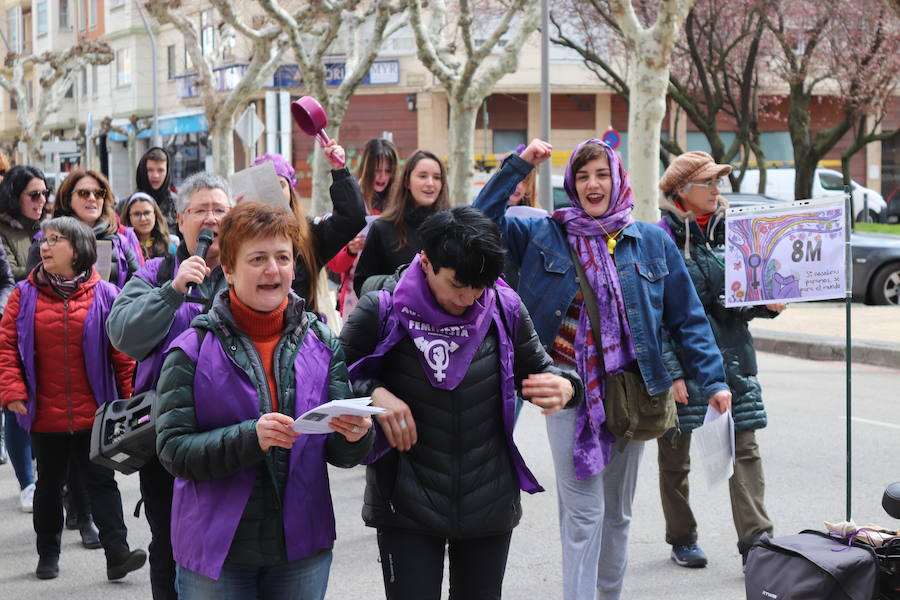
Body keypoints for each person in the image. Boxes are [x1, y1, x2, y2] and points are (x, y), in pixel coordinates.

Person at [474, 138, 730, 600]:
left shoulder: (651, 240)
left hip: (631, 392)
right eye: (583, 176)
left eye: (602, 174)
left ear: (618, 179)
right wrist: (519, 166)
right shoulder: (543, 234)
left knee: (617, 514)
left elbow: (687, 316)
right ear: (572, 184)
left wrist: (712, 379)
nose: (593, 184)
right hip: (566, 389)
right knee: (584, 514)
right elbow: (478, 221)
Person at [340, 206, 584, 600]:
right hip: (406, 503)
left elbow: (545, 371)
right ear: (426, 261)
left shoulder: (504, 307)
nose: (468, 297)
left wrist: (567, 388)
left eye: (479, 286)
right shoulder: (382, 309)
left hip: (488, 499)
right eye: (457, 284)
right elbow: (328, 376)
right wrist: (373, 395)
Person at [155, 201, 373, 598]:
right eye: (258, 258)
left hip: (301, 546)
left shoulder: (322, 342)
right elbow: (172, 450)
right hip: (216, 550)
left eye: (283, 257)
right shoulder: (191, 348)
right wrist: (250, 437)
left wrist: (356, 435)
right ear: (229, 270)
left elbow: (341, 453)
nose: (273, 270)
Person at [106, 171, 233, 600]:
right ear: (181, 220)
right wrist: (173, 292)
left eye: (220, 209)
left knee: (231, 546)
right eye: (201, 210)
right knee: (171, 544)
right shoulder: (156, 271)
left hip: (234, 433)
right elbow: (123, 334)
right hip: (167, 436)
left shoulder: (249, 273)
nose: (211, 218)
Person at [0, 216, 146, 581]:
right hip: (44, 415)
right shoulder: (24, 294)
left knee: (102, 484)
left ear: (79, 249)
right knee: (48, 486)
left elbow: (123, 355)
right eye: (44, 240)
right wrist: (13, 391)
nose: (45, 246)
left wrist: (128, 401)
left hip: (94, 415)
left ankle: (118, 555)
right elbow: (5, 348)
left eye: (56, 239)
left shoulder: (106, 294)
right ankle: (47, 553)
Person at [656, 151, 781, 568]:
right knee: (676, 457)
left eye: (717, 183)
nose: (716, 190)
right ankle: (682, 538)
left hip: (733, 360)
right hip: (682, 368)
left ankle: (757, 544)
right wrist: (672, 372)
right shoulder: (659, 239)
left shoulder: (734, 232)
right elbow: (653, 317)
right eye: (707, 183)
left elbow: (738, 299)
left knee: (744, 449)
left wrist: (767, 304)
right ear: (679, 192)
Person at [252, 143, 365, 314]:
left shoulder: (310, 233)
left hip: (302, 335)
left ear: (290, 190)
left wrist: (339, 171)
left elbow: (352, 218)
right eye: (267, 186)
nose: (274, 191)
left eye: (281, 184)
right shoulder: (240, 237)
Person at [0, 164, 47, 513]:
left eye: (45, 193)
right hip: (10, 322)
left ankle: (47, 477)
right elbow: (9, 276)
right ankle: (27, 482)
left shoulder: (49, 227)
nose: (41, 200)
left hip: (47, 321)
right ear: (16, 197)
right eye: (34, 194)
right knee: (16, 403)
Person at [352, 149, 449, 298]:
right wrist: (397, 286)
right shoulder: (382, 228)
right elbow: (361, 284)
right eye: (423, 176)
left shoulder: (453, 228)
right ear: (406, 182)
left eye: (437, 177)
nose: (430, 183)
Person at [27, 169, 143, 289]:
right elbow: (32, 289)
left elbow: (140, 286)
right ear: (68, 199)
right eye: (84, 193)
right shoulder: (45, 240)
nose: (92, 198)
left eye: (98, 193)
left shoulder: (120, 242)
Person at [327, 138, 399, 318]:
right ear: (366, 169)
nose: (382, 176)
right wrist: (350, 249)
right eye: (376, 170)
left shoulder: (401, 204)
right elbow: (334, 264)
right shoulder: (352, 201)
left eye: (387, 171)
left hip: (394, 295)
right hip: (354, 297)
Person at [134, 146, 179, 235]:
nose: (155, 175)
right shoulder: (129, 204)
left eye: (160, 170)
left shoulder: (177, 203)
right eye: (150, 170)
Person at [121, 192, 176, 260]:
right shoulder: (122, 248)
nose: (143, 219)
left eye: (147, 213)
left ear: (155, 214)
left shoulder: (169, 247)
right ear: (128, 217)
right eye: (137, 214)